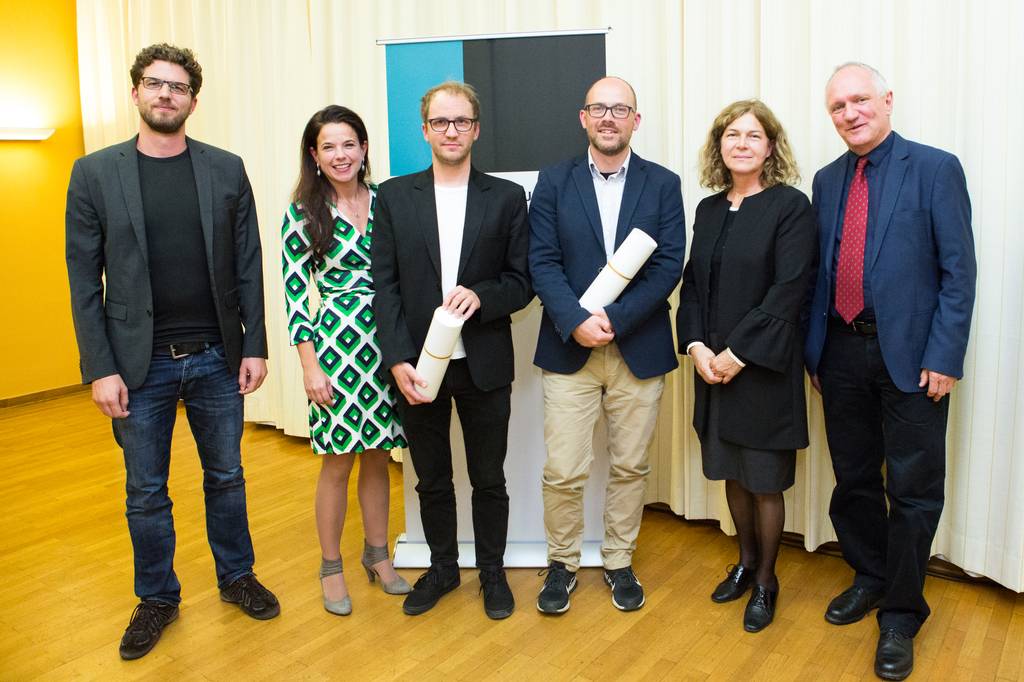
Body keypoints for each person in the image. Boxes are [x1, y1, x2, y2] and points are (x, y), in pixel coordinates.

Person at [65, 43, 279, 661]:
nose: (166, 94)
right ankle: (158, 596)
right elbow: (83, 281)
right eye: (155, 84)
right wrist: (99, 368)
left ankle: (237, 575)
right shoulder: (95, 173)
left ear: (192, 99)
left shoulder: (225, 168)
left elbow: (249, 264)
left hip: (216, 354)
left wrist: (255, 346)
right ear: (135, 92)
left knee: (227, 476)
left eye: (178, 87)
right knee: (146, 491)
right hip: (138, 365)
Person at [804, 62, 976, 680]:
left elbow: (959, 272)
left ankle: (901, 613)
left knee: (912, 490)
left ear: (887, 100)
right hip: (841, 354)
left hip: (913, 358)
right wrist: (815, 351)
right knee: (852, 481)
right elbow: (819, 273)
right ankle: (871, 576)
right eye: (837, 107)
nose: (849, 113)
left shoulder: (934, 168)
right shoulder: (826, 181)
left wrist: (944, 355)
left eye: (859, 100)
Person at [370, 81, 532, 620]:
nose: (451, 131)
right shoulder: (393, 196)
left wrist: (482, 295)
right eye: (441, 122)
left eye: (461, 121)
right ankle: (442, 569)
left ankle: (492, 573)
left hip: (485, 365)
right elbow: (383, 286)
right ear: (425, 131)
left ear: (476, 128)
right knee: (431, 478)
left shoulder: (507, 197)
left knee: (490, 478)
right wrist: (396, 360)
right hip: (417, 369)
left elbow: (522, 281)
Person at [529, 76, 686, 614]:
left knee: (630, 466)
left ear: (635, 121)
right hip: (570, 350)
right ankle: (562, 564)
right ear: (583, 118)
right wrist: (574, 320)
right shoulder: (553, 181)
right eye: (599, 108)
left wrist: (614, 319)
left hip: (636, 348)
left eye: (620, 109)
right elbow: (542, 260)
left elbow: (668, 265)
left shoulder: (664, 184)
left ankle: (619, 561)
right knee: (564, 469)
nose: (609, 118)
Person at [676, 100, 816, 632]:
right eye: (731, 135)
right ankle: (745, 562)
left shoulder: (790, 207)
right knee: (731, 473)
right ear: (719, 146)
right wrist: (696, 348)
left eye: (753, 136)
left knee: (763, 481)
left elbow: (789, 290)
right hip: (712, 368)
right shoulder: (708, 210)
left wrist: (739, 354)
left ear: (770, 148)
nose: (741, 143)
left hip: (762, 370)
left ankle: (767, 581)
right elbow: (692, 288)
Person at [282, 105, 411, 616]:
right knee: (337, 463)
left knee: (379, 457)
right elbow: (296, 295)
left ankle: (377, 557)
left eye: (349, 143)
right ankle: (331, 566)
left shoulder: (387, 201)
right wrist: (310, 366)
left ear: (363, 149)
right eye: (329, 146)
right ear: (314, 155)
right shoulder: (302, 212)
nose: (341, 154)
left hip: (389, 343)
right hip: (336, 347)